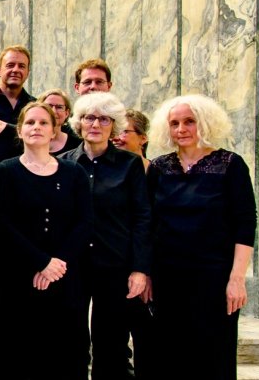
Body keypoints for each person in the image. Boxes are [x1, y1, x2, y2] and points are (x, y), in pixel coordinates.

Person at [144, 94, 256, 380]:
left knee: (214, 356)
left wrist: (237, 278)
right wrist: (147, 274)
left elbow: (245, 224)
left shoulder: (230, 165)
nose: (181, 129)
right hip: (168, 279)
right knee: (171, 358)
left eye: (189, 121)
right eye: (175, 123)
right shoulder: (158, 168)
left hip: (214, 279)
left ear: (205, 123)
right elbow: (147, 224)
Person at [0, 102, 93, 380]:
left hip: (65, 277)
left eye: (43, 123)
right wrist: (41, 262)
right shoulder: (4, 171)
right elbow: (2, 224)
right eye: (30, 122)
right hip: (19, 277)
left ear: (54, 131)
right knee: (22, 353)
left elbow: (85, 222)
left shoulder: (74, 172)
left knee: (65, 353)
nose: (36, 127)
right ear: (20, 130)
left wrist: (57, 264)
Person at [63, 93, 151, 379]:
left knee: (111, 343)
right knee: (72, 341)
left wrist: (140, 268)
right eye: (89, 117)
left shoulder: (130, 164)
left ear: (114, 125)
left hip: (115, 264)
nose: (95, 124)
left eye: (104, 119)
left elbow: (142, 217)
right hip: (73, 266)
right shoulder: (64, 163)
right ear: (79, 122)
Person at [0, 46, 35, 124]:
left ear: (27, 73)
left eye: (21, 66)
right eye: (10, 65)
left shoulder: (35, 105)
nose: (16, 70)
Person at [37, 89, 81, 156]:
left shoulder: (77, 144)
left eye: (59, 107)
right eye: (49, 106)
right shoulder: (29, 140)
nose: (53, 111)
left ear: (67, 113)